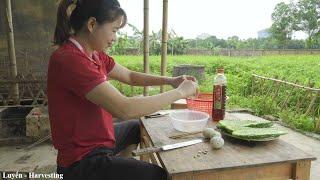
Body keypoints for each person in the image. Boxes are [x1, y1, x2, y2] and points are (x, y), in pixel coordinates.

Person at [47, 0, 197, 179]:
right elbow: (125, 108)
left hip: (98, 141)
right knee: (158, 175)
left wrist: (171, 80)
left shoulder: (95, 54)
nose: (115, 37)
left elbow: (130, 77)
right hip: (81, 161)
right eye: (114, 30)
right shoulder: (70, 60)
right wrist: (180, 92)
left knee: (136, 127)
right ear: (92, 24)